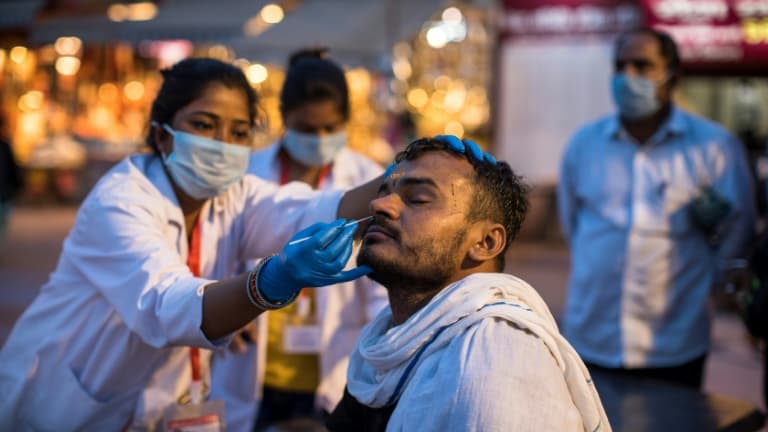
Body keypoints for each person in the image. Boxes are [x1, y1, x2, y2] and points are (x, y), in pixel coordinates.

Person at [0, 57, 380, 431]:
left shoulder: (234, 196)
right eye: (204, 125)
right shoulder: (121, 201)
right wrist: (266, 284)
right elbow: (167, 306)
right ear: (163, 135)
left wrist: (400, 177)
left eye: (239, 132)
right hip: (63, 407)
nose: (223, 145)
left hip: (159, 408)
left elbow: (311, 210)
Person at [326, 136, 610, 432]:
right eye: (384, 192)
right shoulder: (388, 344)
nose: (378, 204)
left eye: (418, 199)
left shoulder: (499, 357)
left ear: (486, 242)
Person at [557, 28, 756, 389]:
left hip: (674, 343)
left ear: (673, 76)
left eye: (643, 65)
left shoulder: (714, 148)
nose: (627, 76)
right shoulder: (584, 144)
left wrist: (710, 291)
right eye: (620, 65)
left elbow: (735, 231)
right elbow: (573, 226)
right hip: (590, 337)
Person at [209, 48, 387, 431]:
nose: (320, 139)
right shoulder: (245, 176)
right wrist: (227, 305)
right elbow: (216, 253)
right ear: (284, 118)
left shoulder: (367, 179)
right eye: (307, 129)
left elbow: (380, 289)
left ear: (346, 122)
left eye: (330, 128)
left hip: (333, 365)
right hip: (254, 364)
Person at [0, 110, 23, 245]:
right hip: (5, 193)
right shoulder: (5, 146)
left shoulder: (5, 146)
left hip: (4, 193)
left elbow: (12, 169)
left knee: (2, 222)